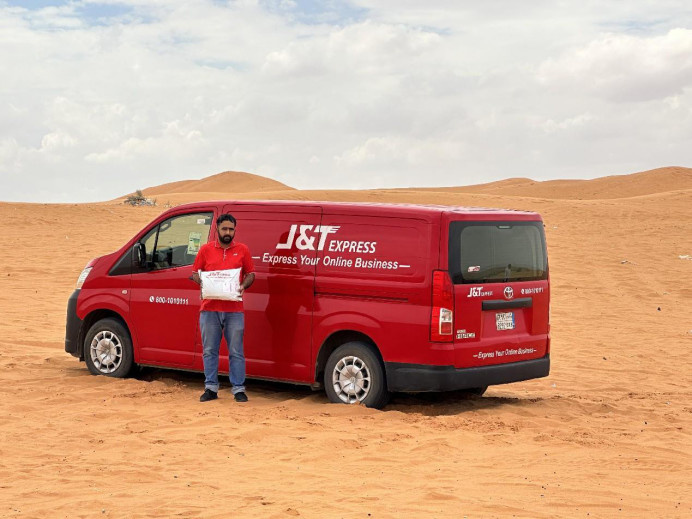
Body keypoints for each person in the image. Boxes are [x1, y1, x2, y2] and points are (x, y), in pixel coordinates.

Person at [191, 213, 255, 403]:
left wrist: (244, 285)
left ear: (235, 230)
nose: (228, 232)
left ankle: (238, 389)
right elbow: (195, 272)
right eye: (224, 229)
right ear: (217, 229)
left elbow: (251, 273)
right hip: (209, 308)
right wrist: (204, 282)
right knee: (210, 350)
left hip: (234, 309)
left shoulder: (242, 250)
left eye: (231, 229)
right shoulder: (205, 250)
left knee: (236, 351)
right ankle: (210, 387)